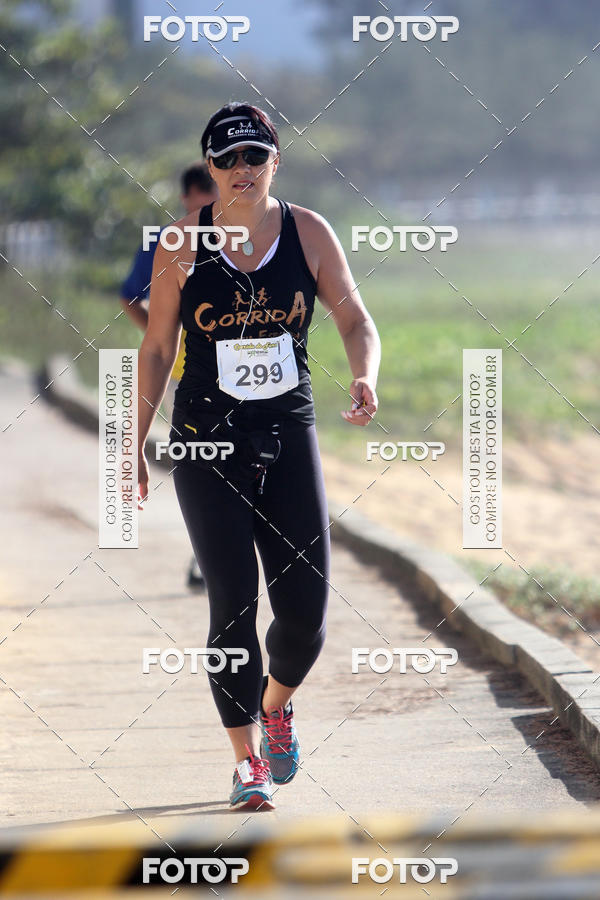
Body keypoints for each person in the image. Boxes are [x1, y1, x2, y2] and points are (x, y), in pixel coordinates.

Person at [137, 102, 381, 811]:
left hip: (288, 432)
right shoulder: (181, 245)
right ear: (209, 170)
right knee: (233, 603)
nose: (242, 169)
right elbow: (156, 348)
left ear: (276, 161)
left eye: (255, 156)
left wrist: (365, 371)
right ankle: (245, 761)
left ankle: (277, 705)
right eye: (227, 159)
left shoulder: (308, 232)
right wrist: (134, 439)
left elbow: (354, 317)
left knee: (305, 613)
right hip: (207, 440)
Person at [121, 163, 217, 590]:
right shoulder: (166, 242)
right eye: (205, 193)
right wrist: (163, 331)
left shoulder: (249, 236)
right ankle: (206, 558)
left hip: (248, 378)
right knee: (205, 465)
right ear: (187, 198)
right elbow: (129, 296)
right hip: (186, 373)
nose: (212, 201)